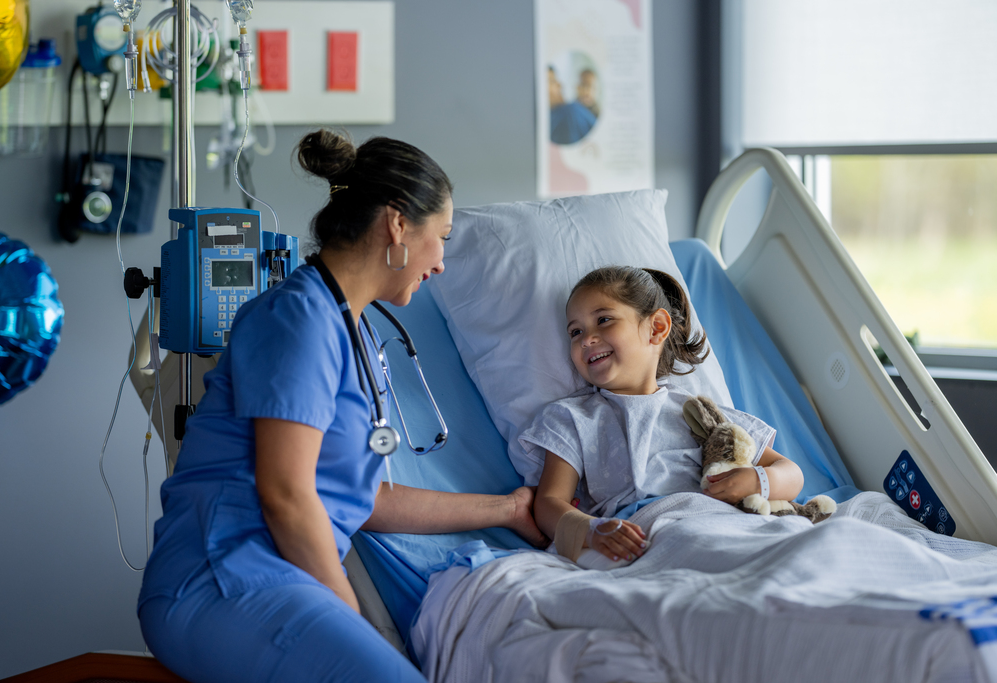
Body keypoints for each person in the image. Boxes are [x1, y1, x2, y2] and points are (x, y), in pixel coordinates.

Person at [137, 130, 545, 683]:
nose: (442, 261)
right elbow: (286, 495)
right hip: (220, 578)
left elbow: (364, 499)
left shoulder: (352, 329)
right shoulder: (298, 319)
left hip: (279, 575)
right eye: (442, 236)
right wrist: (348, 614)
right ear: (398, 224)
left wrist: (505, 509)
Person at [523, 266, 804, 563]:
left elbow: (791, 473)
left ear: (656, 327)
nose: (586, 339)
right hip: (644, 532)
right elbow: (549, 503)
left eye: (603, 320)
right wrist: (591, 529)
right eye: (575, 331)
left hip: (721, 518)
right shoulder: (573, 418)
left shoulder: (698, 413)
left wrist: (756, 481)